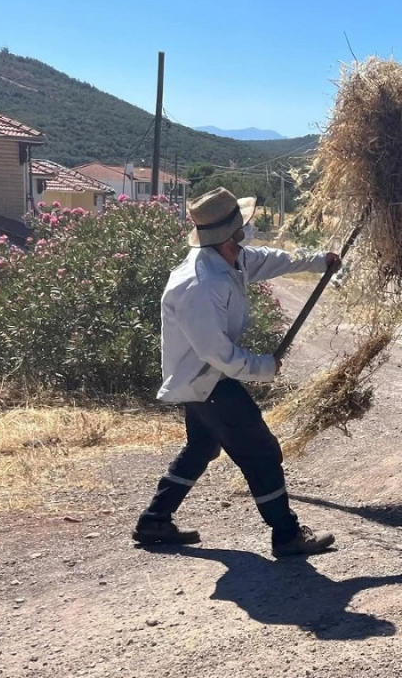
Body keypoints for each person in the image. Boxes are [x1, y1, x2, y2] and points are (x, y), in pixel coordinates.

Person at [132, 187, 341, 558]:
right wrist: (264, 366)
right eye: (244, 225)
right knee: (261, 452)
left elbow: (269, 260)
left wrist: (316, 260)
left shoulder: (231, 259)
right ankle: (286, 535)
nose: (249, 230)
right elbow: (218, 355)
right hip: (207, 381)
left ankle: (154, 521)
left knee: (202, 446)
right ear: (234, 233)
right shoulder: (199, 284)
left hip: (204, 380)